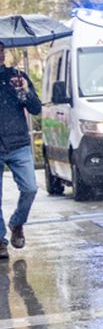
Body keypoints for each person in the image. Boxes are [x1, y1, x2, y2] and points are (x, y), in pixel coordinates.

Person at [0, 42, 40, 255]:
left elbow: (35, 108)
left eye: (0, 50)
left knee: (30, 188)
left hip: (17, 143)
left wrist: (25, 91)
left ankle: (17, 223)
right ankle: (0, 241)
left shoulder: (16, 76)